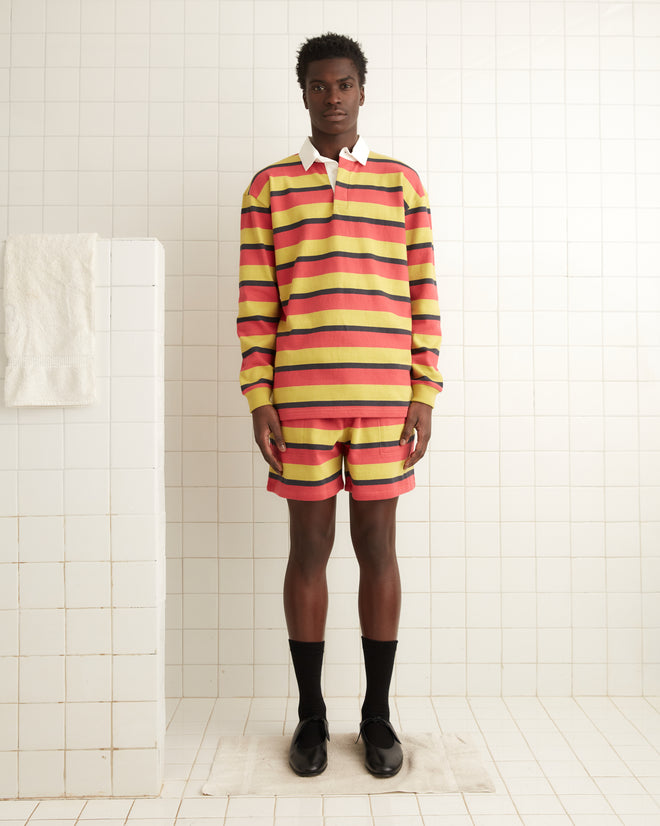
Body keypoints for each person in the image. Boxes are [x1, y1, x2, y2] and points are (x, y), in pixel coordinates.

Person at [237, 32, 442, 778]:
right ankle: (312, 720)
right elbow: (256, 304)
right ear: (304, 93)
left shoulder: (401, 183)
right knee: (308, 551)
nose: (332, 98)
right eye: (319, 86)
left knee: (379, 550)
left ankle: (378, 718)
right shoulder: (269, 187)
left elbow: (424, 294)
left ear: (362, 91)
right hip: (302, 403)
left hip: (385, 400)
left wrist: (424, 390)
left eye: (344, 85)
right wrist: (258, 397)